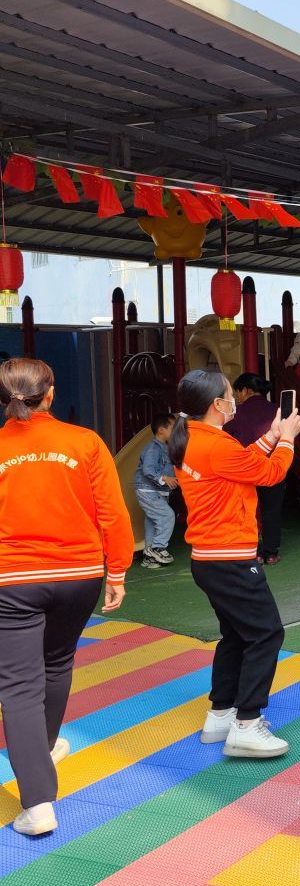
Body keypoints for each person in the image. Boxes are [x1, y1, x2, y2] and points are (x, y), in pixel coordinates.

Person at [0, 358, 132, 836]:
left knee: (18, 686)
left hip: (13, 579)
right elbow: (113, 513)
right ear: (50, 393)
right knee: (56, 663)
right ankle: (45, 746)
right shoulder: (84, 442)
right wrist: (118, 570)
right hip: (80, 574)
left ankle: (38, 804)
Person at [170, 369, 300, 760]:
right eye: (230, 395)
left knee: (237, 635)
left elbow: (241, 463)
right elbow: (270, 473)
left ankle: (221, 714)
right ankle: (246, 723)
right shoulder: (214, 444)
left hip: (209, 558)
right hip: (229, 557)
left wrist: (272, 435)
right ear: (217, 404)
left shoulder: (191, 438)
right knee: (266, 634)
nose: (235, 401)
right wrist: (288, 440)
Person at [224, 374, 285, 566]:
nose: (237, 397)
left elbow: (224, 437)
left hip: (245, 468)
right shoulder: (277, 410)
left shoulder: (237, 413)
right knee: (272, 510)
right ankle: (271, 553)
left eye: (238, 392)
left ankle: (253, 552)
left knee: (247, 510)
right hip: (273, 467)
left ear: (246, 390)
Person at [135, 413, 178, 569]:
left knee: (153, 522)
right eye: (173, 428)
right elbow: (148, 469)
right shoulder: (153, 448)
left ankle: (149, 557)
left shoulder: (166, 448)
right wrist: (164, 478)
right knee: (167, 516)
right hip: (148, 490)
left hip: (158, 491)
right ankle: (158, 548)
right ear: (161, 430)